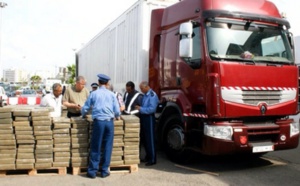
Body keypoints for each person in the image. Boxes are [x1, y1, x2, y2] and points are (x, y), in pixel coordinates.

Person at [81, 74, 121, 179]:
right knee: (107, 146)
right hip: (109, 123)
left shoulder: (93, 94)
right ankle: (104, 171)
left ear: (98, 83)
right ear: (107, 83)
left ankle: (92, 171)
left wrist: (84, 115)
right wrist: (117, 116)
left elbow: (86, 107)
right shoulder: (112, 94)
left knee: (96, 146)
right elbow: (117, 110)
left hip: (99, 122)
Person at [135, 81, 159, 166]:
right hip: (143, 117)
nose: (141, 90)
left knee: (150, 139)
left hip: (149, 117)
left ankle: (152, 159)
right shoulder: (145, 95)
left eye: (142, 88)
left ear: (146, 87)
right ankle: (148, 156)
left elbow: (151, 109)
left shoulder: (152, 95)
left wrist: (141, 109)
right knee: (145, 138)